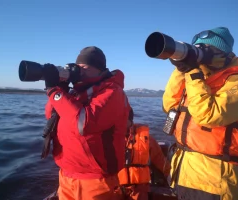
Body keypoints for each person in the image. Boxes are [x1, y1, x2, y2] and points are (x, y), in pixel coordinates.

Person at [162, 27, 238, 200]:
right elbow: (169, 105)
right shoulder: (199, 81)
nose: (200, 54)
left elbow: (207, 115)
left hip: (212, 181)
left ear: (223, 53)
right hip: (182, 170)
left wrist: (192, 72)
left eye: (206, 49)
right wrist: (181, 69)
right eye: (197, 48)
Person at [43, 46, 131, 200]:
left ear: (99, 69)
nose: (79, 71)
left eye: (84, 67)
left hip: (95, 180)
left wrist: (54, 91)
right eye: (78, 68)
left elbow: (83, 124)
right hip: (67, 175)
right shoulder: (76, 93)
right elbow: (51, 115)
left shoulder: (112, 92)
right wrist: (61, 88)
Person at [116, 108, 171, 200]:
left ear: (130, 120)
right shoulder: (108, 138)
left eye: (123, 118)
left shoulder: (146, 138)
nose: (119, 122)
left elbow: (159, 159)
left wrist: (172, 176)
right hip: (115, 188)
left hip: (139, 189)